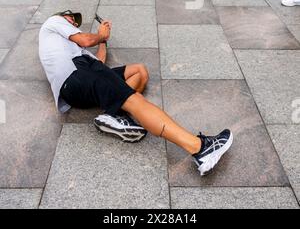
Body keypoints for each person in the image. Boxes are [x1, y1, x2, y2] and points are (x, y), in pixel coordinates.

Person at [39, 10, 233, 177]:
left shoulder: (68, 47)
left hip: (82, 78)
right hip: (76, 74)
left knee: (139, 71)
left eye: (75, 20)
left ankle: (112, 115)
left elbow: (99, 62)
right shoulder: (53, 22)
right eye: (71, 18)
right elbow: (86, 39)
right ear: (61, 16)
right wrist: (100, 35)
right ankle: (200, 148)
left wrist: (103, 42)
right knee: (135, 100)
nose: (73, 22)